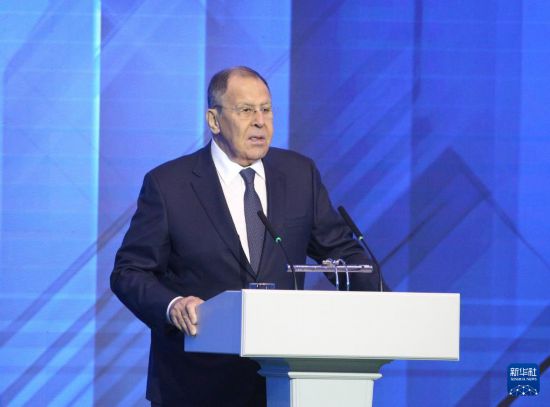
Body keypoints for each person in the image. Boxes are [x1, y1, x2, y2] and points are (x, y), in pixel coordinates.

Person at [111, 66, 383, 406]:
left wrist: (383, 305)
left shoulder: (299, 175)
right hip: (196, 384)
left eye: (266, 109)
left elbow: (342, 253)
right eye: (246, 110)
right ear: (214, 120)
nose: (260, 122)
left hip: (284, 382)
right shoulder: (169, 185)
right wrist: (172, 305)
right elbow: (129, 272)